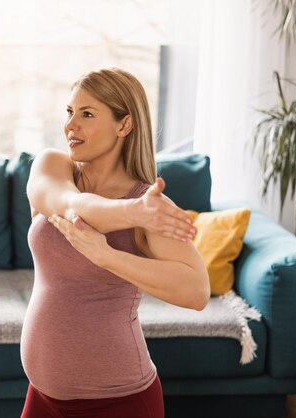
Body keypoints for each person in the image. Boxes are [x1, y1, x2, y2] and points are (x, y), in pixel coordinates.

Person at [19, 68, 210, 418]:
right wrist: (132, 213)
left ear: (124, 126)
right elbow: (72, 205)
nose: (70, 125)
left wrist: (108, 257)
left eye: (87, 114)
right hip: (43, 396)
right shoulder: (53, 166)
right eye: (69, 112)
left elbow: (197, 291)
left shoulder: (147, 206)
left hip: (119, 401)